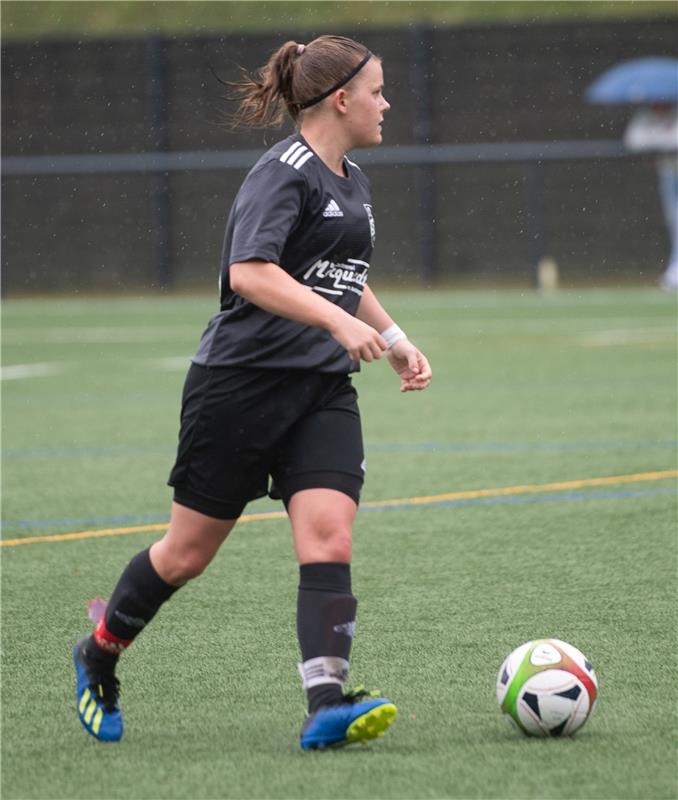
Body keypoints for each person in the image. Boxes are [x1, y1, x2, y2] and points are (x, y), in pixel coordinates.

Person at [72, 34, 432, 751]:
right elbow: (251, 273)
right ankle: (100, 651)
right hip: (239, 387)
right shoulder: (283, 172)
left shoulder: (353, 179)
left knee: (329, 532)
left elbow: (342, 275)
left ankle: (326, 702)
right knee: (186, 553)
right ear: (340, 98)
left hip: (321, 390)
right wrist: (333, 321)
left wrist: (393, 340)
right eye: (378, 91)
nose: (386, 103)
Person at [623, 104, 678, 291]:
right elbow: (633, 140)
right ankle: (675, 269)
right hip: (669, 172)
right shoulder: (645, 117)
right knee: (674, 219)